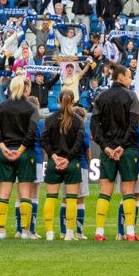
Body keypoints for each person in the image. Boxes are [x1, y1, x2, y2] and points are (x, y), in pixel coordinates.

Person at [90, 63, 139, 241]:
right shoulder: (132, 96)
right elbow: (134, 125)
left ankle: (99, 231)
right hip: (126, 150)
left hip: (108, 150)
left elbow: (94, 126)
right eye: (129, 76)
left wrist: (106, 147)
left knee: (105, 190)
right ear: (120, 77)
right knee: (128, 191)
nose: (130, 79)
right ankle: (130, 232)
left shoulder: (101, 97)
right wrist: (122, 146)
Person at [0, 75, 39, 240]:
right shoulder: (31, 108)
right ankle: (25, 231)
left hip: (6, 152)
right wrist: (21, 149)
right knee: (25, 193)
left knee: (4, 192)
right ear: (25, 88)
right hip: (25, 153)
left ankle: (1, 230)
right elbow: (32, 132)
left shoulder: (2, 107)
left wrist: (3, 147)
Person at [40, 90, 87, 241]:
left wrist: (54, 156)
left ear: (58, 101)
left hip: (54, 162)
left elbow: (44, 140)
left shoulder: (50, 119)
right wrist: (67, 159)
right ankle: (69, 233)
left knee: (51, 198)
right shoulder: (79, 120)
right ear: (73, 102)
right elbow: (79, 143)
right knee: (72, 199)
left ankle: (49, 233)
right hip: (72, 163)